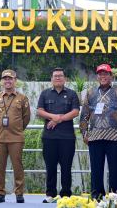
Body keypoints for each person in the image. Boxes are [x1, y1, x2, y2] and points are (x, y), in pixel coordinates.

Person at [79, 63, 117, 199]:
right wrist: (84, 133)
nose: (103, 76)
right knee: (96, 169)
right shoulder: (90, 92)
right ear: (97, 76)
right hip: (95, 136)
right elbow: (84, 114)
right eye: (100, 74)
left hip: (114, 136)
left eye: (106, 74)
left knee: (115, 168)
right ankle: (97, 195)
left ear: (111, 76)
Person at [37, 67, 80, 203]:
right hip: (49, 137)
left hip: (67, 138)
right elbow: (40, 111)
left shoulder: (72, 94)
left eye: (60, 76)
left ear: (65, 79)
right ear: (51, 79)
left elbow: (75, 112)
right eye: (55, 76)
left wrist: (59, 119)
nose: (58, 78)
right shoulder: (45, 94)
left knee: (66, 167)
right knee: (50, 167)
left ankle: (66, 195)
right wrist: (54, 117)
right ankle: (50, 194)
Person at [0, 69, 31, 203]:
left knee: (17, 166)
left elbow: (26, 118)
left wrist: (17, 128)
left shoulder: (22, 98)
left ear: (15, 80)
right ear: (2, 81)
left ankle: (19, 193)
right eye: (5, 78)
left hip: (16, 138)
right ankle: (0, 192)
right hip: (0, 138)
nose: (7, 81)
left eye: (10, 78)